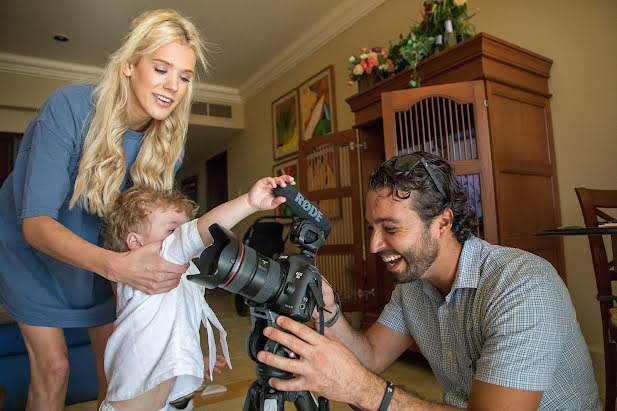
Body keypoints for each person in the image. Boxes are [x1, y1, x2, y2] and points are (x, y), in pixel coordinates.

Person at [257, 151, 601, 410]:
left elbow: (365, 377)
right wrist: (329, 313)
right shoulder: (413, 285)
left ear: (443, 222)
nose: (375, 245)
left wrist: (361, 389)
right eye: (372, 229)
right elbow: (372, 356)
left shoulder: (523, 286)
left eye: (390, 229)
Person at [0, 9, 208, 410]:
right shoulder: (69, 109)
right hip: (33, 253)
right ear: (129, 65)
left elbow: (150, 229)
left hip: (102, 257)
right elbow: (35, 224)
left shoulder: (168, 143)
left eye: (184, 76)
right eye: (161, 68)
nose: (173, 86)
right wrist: (116, 267)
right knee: (55, 367)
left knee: (116, 368)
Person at [99, 175, 294, 411]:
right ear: (135, 242)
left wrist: (185, 360)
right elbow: (202, 229)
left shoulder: (180, 270)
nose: (183, 236)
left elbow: (170, 328)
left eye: (185, 227)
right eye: (173, 230)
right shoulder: (153, 260)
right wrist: (250, 203)